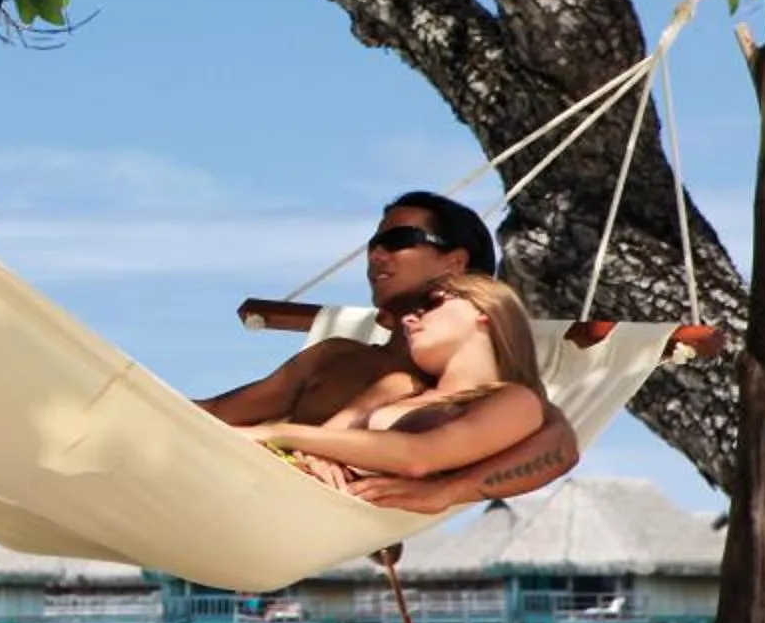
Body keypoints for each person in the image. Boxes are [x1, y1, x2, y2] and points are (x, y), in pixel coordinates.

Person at [198, 192, 581, 506]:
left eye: (398, 241)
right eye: (374, 244)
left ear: (455, 263)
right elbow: (213, 416)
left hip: (291, 507)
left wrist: (445, 493)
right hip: (239, 482)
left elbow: (558, 444)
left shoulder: (470, 392)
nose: (376, 255)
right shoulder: (336, 358)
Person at [234, 274, 550, 481]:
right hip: (290, 487)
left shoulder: (516, 401)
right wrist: (314, 455)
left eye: (434, 303)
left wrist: (281, 432)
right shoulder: (398, 387)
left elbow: (420, 456)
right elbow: (317, 445)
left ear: (486, 312)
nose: (411, 319)